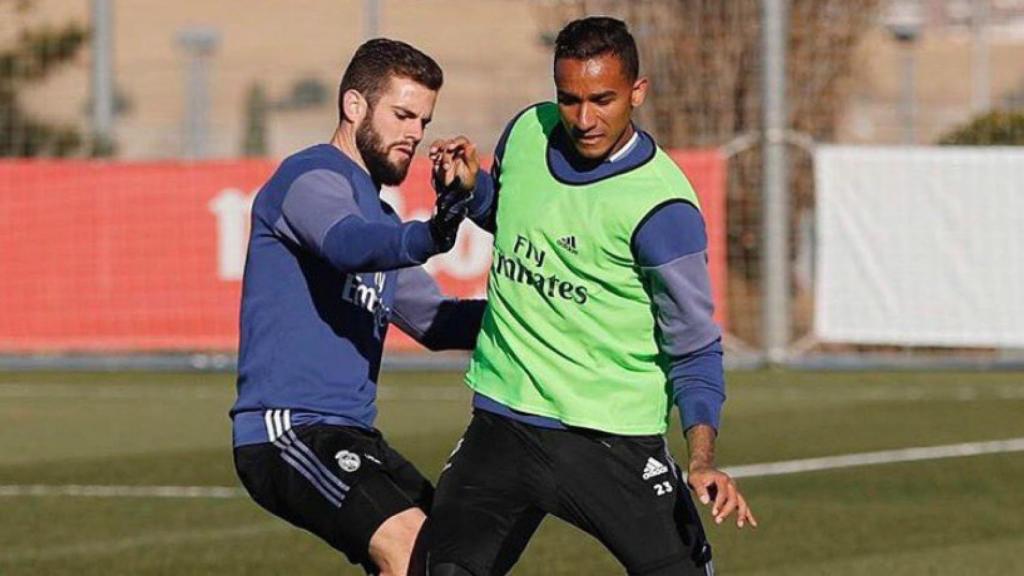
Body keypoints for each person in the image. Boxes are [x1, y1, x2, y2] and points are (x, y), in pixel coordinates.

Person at [423, 17, 755, 576]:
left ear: (638, 92)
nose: (583, 119)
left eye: (602, 99)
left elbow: (695, 348)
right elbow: (509, 218)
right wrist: (470, 188)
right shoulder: (527, 131)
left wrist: (701, 460)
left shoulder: (663, 209)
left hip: (612, 440)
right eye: (569, 99)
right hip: (504, 422)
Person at [230, 38, 481, 576]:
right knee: (411, 548)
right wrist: (438, 230)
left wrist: (543, 313)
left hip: (352, 433)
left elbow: (438, 322)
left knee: (454, 557)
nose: (415, 132)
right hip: (289, 431)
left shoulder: (383, 222)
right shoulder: (310, 178)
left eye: (423, 119)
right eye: (402, 114)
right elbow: (345, 242)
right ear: (354, 106)